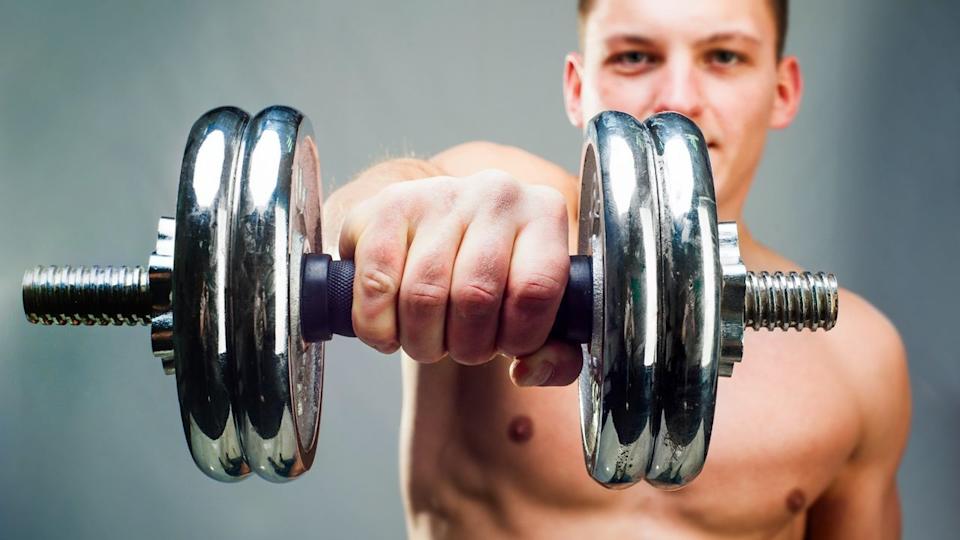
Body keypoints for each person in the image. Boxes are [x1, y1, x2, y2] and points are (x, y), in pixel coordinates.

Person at [322, 0, 911, 537]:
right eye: (635, 56)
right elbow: (371, 210)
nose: (678, 99)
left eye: (724, 57)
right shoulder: (499, 208)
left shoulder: (859, 360)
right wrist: (388, 221)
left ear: (781, 91)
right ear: (579, 87)